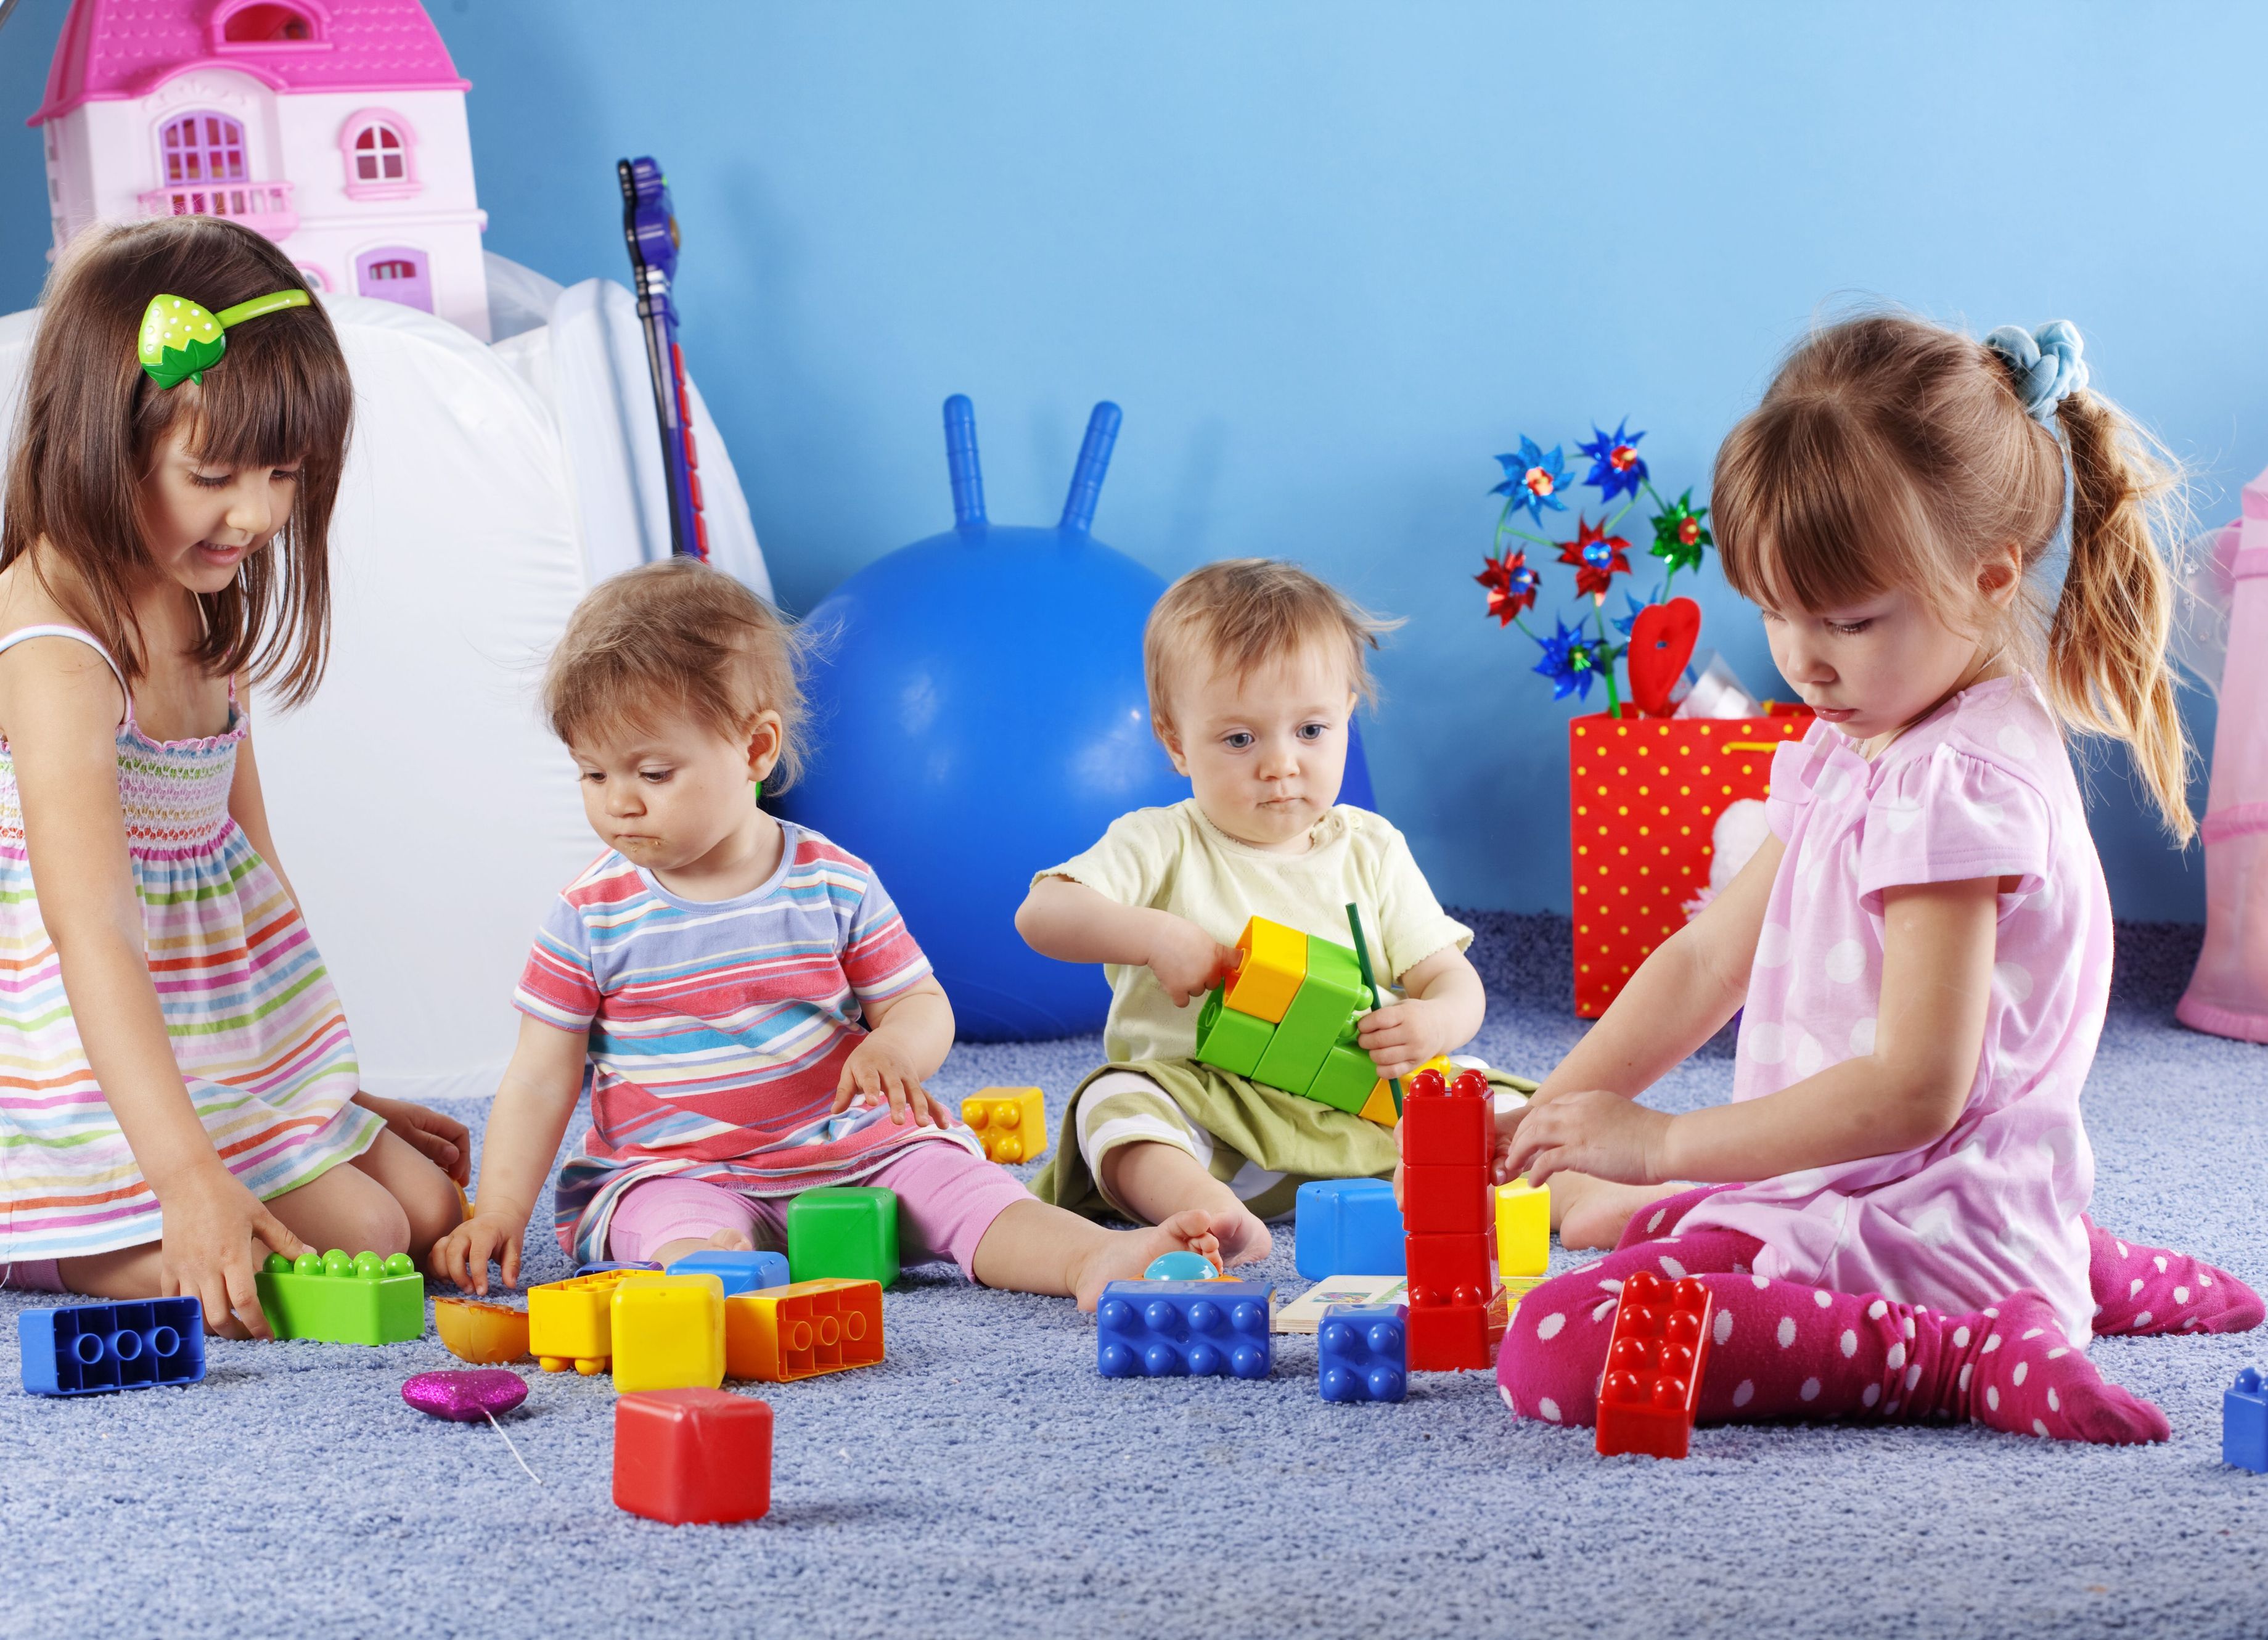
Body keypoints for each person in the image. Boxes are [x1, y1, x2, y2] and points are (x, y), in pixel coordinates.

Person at [1496, 314, 2260, 1445]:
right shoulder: (1860, 738)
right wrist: (1540, 1118)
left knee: (1557, 1347)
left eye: (1844, 620)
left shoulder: (1952, 787)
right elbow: (1711, 956)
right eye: (1772, 611)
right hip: (1869, 1189)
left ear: (1987, 576)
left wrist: (1660, 1143)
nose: (1800, 659)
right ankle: (2054, 1250)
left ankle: (1963, 1347)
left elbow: (1913, 1091)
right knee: (1641, 1226)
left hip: (1913, 1227)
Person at [430, 558, 1227, 1306]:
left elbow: (920, 1003)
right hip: (674, 1169)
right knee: (682, 1230)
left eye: (651, 773)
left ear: (754, 747)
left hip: (854, 1153)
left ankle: (1091, 1258)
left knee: (962, 1185)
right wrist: (499, 1207)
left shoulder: (831, 880)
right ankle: (715, 1290)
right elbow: (541, 1077)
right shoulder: (588, 915)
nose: (619, 803)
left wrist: (894, 1050)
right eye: (592, 774)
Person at [0, 218, 468, 1336]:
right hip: (70, 1063)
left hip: (207, 1038)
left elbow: (250, 867)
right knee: (358, 1236)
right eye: (213, 475)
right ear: (105, 444)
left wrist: (315, 1089)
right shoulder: (59, 651)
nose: (257, 514)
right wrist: (185, 1175)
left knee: (424, 1202)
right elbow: (95, 934)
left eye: (283, 476)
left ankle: (214, 1175)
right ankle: (56, 1250)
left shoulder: (200, 599)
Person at [1018, 558, 1499, 1265]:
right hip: (1214, 1122)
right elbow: (1042, 913)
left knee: (1494, 1097)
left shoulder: (1370, 847)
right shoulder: (1160, 839)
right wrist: (1152, 934)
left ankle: (1581, 1196)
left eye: (1310, 729)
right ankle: (1208, 1214)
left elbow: (1454, 980)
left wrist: (1432, 1021)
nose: (1280, 764)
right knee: (1110, 1101)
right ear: (1176, 741)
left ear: (1346, 720)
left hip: (1362, 1118)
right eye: (1240, 738)